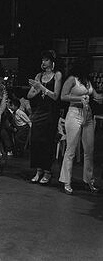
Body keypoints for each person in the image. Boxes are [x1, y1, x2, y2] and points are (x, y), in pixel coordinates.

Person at [58, 59, 103, 194]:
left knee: (89, 150)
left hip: (88, 115)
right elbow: (63, 96)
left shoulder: (87, 80)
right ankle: (67, 181)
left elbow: (97, 97)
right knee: (71, 149)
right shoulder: (72, 79)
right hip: (74, 114)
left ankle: (88, 180)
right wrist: (80, 98)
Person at [28, 50, 62, 185]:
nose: (43, 62)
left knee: (47, 142)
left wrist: (41, 87)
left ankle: (47, 171)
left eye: (46, 60)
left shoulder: (57, 75)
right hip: (39, 111)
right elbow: (30, 95)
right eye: (42, 60)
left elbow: (55, 96)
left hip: (51, 112)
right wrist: (35, 89)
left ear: (52, 62)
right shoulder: (39, 75)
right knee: (36, 141)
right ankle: (38, 170)